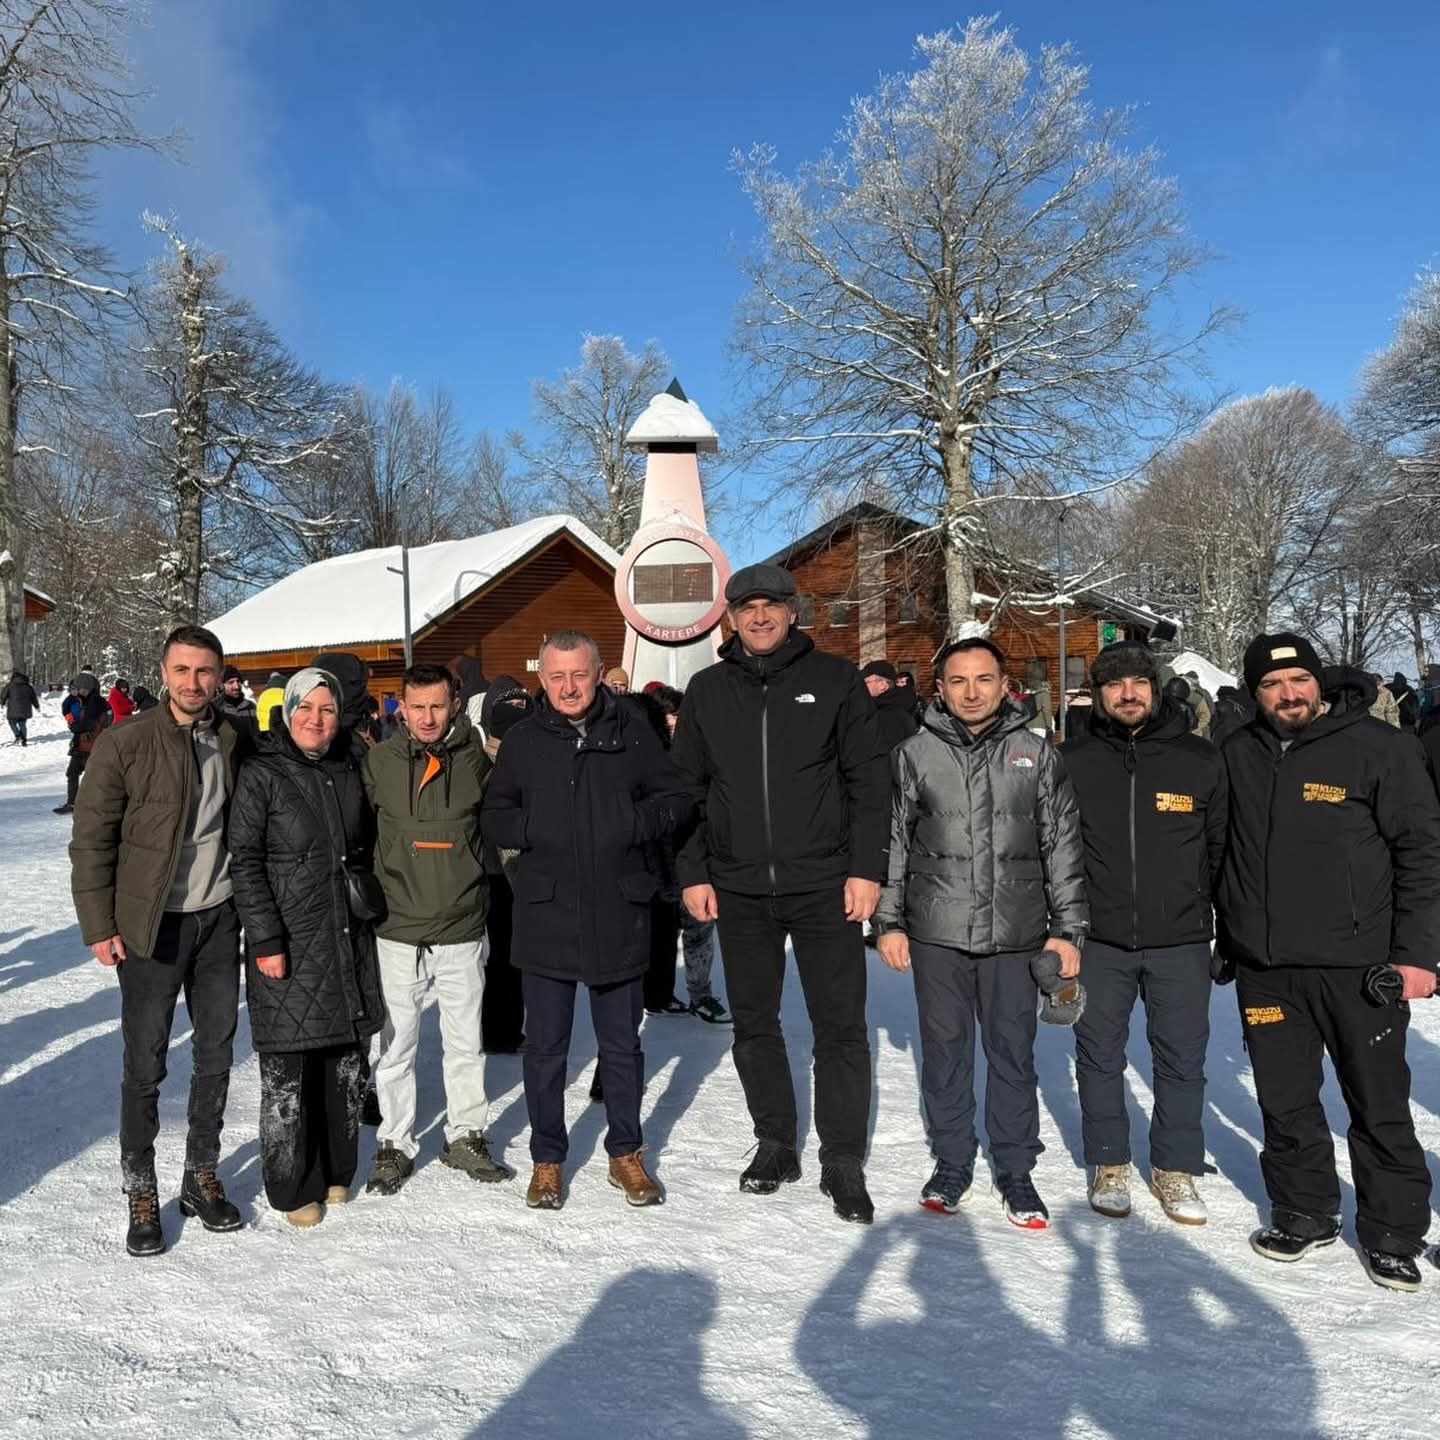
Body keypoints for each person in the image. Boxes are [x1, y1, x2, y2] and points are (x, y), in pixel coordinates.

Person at [1216, 632, 1440, 1292]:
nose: (1288, 694)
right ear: (1255, 694)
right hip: (1268, 966)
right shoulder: (1238, 753)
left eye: (1299, 682)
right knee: (1285, 1101)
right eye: (1272, 685)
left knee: (1378, 1102)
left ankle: (1395, 1230)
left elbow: (1423, 855)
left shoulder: (1381, 749)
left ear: (1319, 683)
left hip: (1359, 965)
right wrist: (1227, 934)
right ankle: (1305, 1211)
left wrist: (1419, 956)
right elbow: (1217, 848)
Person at [673, 563, 889, 1224]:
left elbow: (868, 781)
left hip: (824, 882)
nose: (759, 616)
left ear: (794, 612)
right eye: (746, 607)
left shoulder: (834, 681)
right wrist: (694, 872)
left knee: (840, 1025)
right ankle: (775, 1142)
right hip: (738, 888)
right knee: (756, 1022)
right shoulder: (707, 690)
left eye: (771, 605)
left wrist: (866, 868)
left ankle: (843, 1155)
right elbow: (687, 793)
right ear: (730, 619)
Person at [873, 637, 1087, 1230]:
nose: (971, 692)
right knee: (944, 1054)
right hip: (937, 931)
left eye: (983, 679)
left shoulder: (1036, 754)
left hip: (1015, 933)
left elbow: (1062, 846)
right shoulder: (914, 753)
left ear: (1004, 684)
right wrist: (887, 920)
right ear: (939, 688)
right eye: (958, 681)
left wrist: (1068, 929)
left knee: (1012, 1055)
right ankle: (952, 1161)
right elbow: (892, 844)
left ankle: (1016, 1168)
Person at [483, 631, 694, 1211]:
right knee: (545, 1048)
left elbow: (677, 799)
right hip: (546, 910)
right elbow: (495, 814)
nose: (569, 687)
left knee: (621, 1046)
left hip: (617, 909)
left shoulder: (633, 732)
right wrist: (535, 830)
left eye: (579, 674)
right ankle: (547, 1158)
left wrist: (630, 822)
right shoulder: (524, 740)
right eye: (557, 677)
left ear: (599, 672)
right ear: (542, 679)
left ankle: (626, 1152)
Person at [69, 624, 250, 1257]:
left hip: (219, 919)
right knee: (145, 1063)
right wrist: (99, 925)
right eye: (182, 670)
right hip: (151, 926)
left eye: (205, 672)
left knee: (217, 1054)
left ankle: (201, 1174)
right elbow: (92, 841)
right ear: (166, 671)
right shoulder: (125, 742)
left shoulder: (234, 737)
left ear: (219, 676)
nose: (193, 683)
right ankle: (140, 1186)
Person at [1060, 642, 1226, 1225]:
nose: (1127, 693)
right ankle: (1109, 1161)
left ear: (1155, 689)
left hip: (1179, 938)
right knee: (1098, 1056)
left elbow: (1221, 850)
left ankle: (1175, 1167)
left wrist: (1223, 928)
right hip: (1098, 939)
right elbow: (1051, 850)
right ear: (1100, 695)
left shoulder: (1199, 760)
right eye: (1114, 685)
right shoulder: (1073, 760)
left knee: (1182, 1059)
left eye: (1137, 683)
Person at [229, 669, 386, 1227]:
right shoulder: (261, 773)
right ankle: (292, 1187)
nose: (316, 719)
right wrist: (266, 937)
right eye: (306, 708)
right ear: (287, 709)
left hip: (345, 932)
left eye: (327, 709)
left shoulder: (350, 765)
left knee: (343, 1060)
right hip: (289, 938)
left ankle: (338, 1170)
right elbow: (244, 861)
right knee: (290, 1071)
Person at [362, 662, 510, 1195]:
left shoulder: (478, 762)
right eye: (416, 706)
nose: (427, 717)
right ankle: (395, 1142)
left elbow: (502, 830)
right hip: (398, 928)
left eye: (437, 706)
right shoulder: (377, 761)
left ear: (455, 704)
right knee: (397, 1045)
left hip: (462, 925)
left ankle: (466, 1134)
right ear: (401, 706)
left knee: (465, 1041)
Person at [478, 675, 532, 1054]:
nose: (514, 715)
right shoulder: (476, 757)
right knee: (495, 956)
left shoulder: (533, 751)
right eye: (506, 707)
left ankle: (509, 1028)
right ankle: (496, 1031)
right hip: (488, 870)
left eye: (520, 707)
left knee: (517, 954)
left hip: (525, 867)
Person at [55, 671, 109, 814]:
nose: (79, 692)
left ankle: (95, 805)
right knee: (73, 773)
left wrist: (77, 727)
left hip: (91, 746)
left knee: (92, 777)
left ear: (89, 688)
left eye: (82, 689)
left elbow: (94, 722)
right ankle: (73, 803)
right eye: (79, 689)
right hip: (83, 745)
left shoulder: (96, 702)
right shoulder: (84, 700)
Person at [860, 659, 919, 751]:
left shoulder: (889, 715)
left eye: (866, 682)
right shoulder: (887, 708)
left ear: (883, 685)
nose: (862, 686)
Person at [2, 668, 39, 745]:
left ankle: (17, 735)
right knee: (22, 723)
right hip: (25, 709)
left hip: (13, 709)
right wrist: (37, 706)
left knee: (12, 722)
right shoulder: (28, 686)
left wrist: (2, 703)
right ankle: (24, 739)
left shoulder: (10, 685)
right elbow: (33, 697)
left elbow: (3, 695)